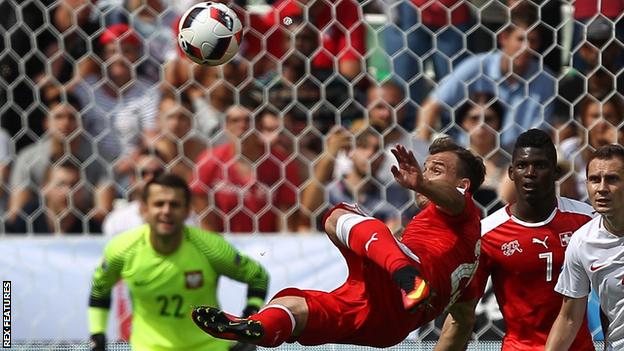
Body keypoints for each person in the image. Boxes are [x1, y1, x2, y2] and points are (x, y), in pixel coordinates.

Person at [190, 137, 486, 349]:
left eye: (436, 170)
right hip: (389, 322)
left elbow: (452, 199)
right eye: (425, 168)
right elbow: (460, 322)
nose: (424, 175)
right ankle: (256, 331)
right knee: (294, 307)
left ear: (463, 186)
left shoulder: (465, 210)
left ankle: (406, 276)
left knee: (338, 215)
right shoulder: (471, 265)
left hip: (409, 280)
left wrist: (421, 185)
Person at [435, 129, 596, 351]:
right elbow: (463, 314)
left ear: (556, 172)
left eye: (540, 165)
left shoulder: (587, 221)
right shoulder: (487, 234)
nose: (530, 173)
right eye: (522, 166)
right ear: (511, 172)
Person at [88, 173, 270, 351]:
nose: (166, 211)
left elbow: (258, 277)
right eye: (159, 204)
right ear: (144, 210)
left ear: (187, 211)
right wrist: (98, 334)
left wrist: (248, 319)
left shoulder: (210, 247)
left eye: (174, 205)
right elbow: (100, 289)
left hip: (209, 347)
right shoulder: (122, 250)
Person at [416, 5, 556, 149]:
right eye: (520, 39)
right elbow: (429, 108)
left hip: (516, 159)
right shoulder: (477, 67)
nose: (526, 47)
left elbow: (541, 133)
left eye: (533, 41)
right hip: (470, 155)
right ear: (504, 38)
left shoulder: (545, 79)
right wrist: (423, 156)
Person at [545, 144, 624, 350]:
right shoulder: (582, 241)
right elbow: (569, 318)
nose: (601, 188)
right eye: (595, 180)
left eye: (612, 179)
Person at [189, 105, 301, 233]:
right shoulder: (209, 161)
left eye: (249, 120)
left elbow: (286, 222)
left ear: (259, 125)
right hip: (223, 243)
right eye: (235, 120)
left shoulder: (282, 164)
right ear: (226, 126)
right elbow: (205, 222)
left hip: (267, 244)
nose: (242, 126)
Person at [8, 93, 114, 225]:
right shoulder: (28, 158)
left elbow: (103, 211)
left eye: (72, 117)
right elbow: (17, 213)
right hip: (38, 231)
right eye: (58, 117)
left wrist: (69, 220)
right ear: (46, 122)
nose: (65, 123)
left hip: (84, 230)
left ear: (82, 123)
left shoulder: (101, 158)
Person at [300, 122, 402, 233]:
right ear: (349, 151)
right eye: (364, 146)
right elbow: (307, 213)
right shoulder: (330, 192)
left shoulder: (392, 196)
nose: (371, 153)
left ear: (383, 156)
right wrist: (330, 153)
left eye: (377, 149)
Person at [102, 148, 199, 237]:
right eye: (143, 173)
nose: (150, 178)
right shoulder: (117, 220)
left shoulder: (186, 218)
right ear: (132, 178)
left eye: (157, 173)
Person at [6, 160, 102, 234]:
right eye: (60, 184)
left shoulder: (90, 227)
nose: (68, 191)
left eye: (74, 185)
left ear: (82, 190)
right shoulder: (28, 217)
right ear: (44, 188)